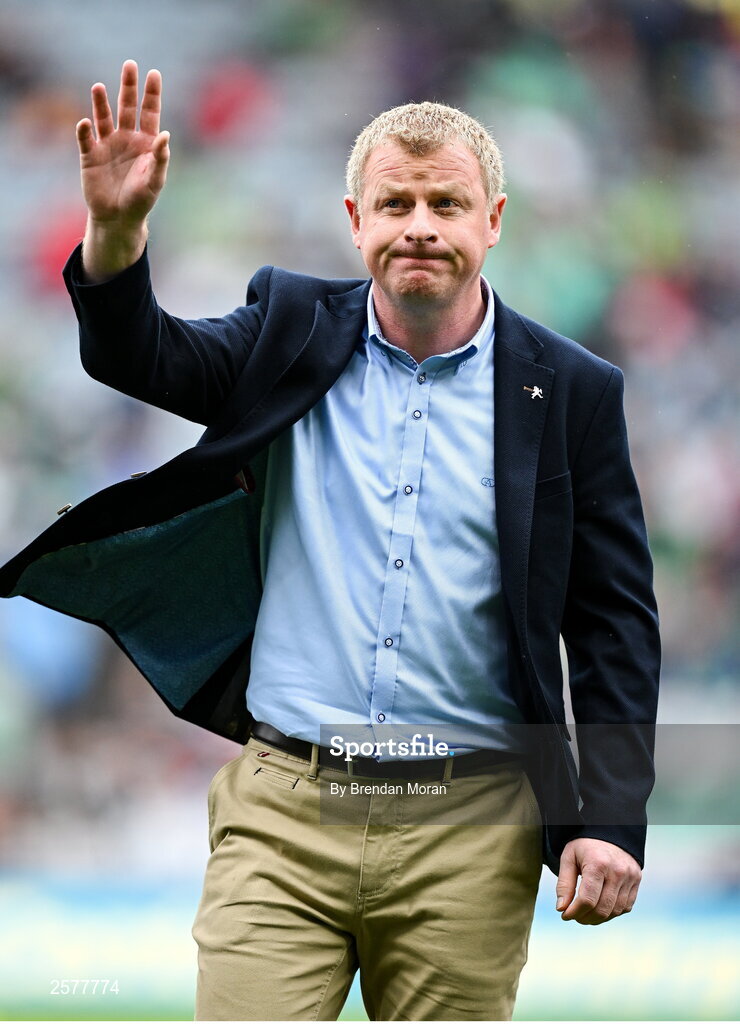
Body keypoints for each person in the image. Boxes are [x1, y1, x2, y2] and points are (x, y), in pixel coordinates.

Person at [0, 60, 660, 1021]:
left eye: (446, 201)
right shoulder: (290, 328)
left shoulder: (571, 391)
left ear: (495, 221)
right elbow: (142, 355)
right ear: (357, 222)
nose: (420, 225)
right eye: (395, 201)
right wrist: (115, 235)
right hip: (285, 810)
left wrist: (609, 818)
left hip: (472, 826)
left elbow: (613, 624)